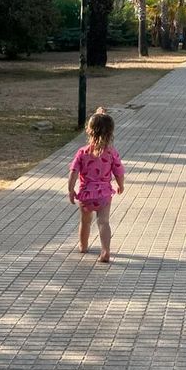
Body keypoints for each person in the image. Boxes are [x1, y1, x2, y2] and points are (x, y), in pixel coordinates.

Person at [68, 107, 124, 263]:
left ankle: (83, 245)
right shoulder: (111, 153)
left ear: (88, 130)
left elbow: (73, 172)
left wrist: (71, 189)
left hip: (86, 194)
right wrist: (121, 185)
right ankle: (105, 250)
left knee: (85, 221)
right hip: (104, 194)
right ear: (111, 133)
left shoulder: (82, 152)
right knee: (103, 221)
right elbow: (119, 171)